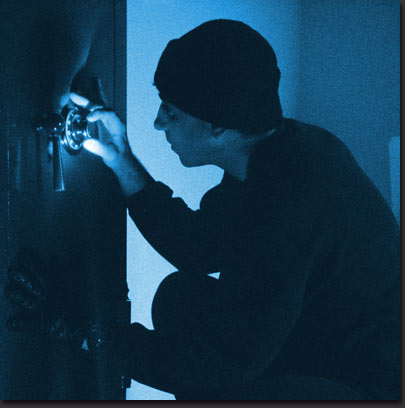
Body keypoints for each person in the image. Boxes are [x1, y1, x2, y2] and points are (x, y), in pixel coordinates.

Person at [7, 19, 400, 400]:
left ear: (217, 128)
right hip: (316, 339)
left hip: (365, 384)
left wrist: (86, 332)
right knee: (178, 300)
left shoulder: (292, 204)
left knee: (227, 381)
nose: (159, 123)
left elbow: (221, 361)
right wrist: (121, 157)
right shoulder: (273, 153)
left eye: (171, 111)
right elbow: (199, 247)